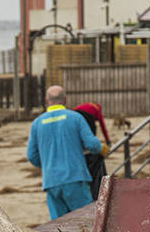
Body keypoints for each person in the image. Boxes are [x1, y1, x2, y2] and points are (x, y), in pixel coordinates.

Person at [26, 85, 106, 220]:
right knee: (85, 221)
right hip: (75, 178)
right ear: (65, 99)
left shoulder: (36, 123)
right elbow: (92, 145)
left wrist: (48, 164)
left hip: (51, 182)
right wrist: (101, 148)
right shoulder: (75, 118)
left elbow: (31, 155)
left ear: (47, 101)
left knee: (59, 227)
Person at [74, 102, 112, 200]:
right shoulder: (96, 110)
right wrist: (107, 140)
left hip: (76, 114)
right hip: (86, 116)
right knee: (91, 133)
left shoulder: (85, 106)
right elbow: (102, 125)